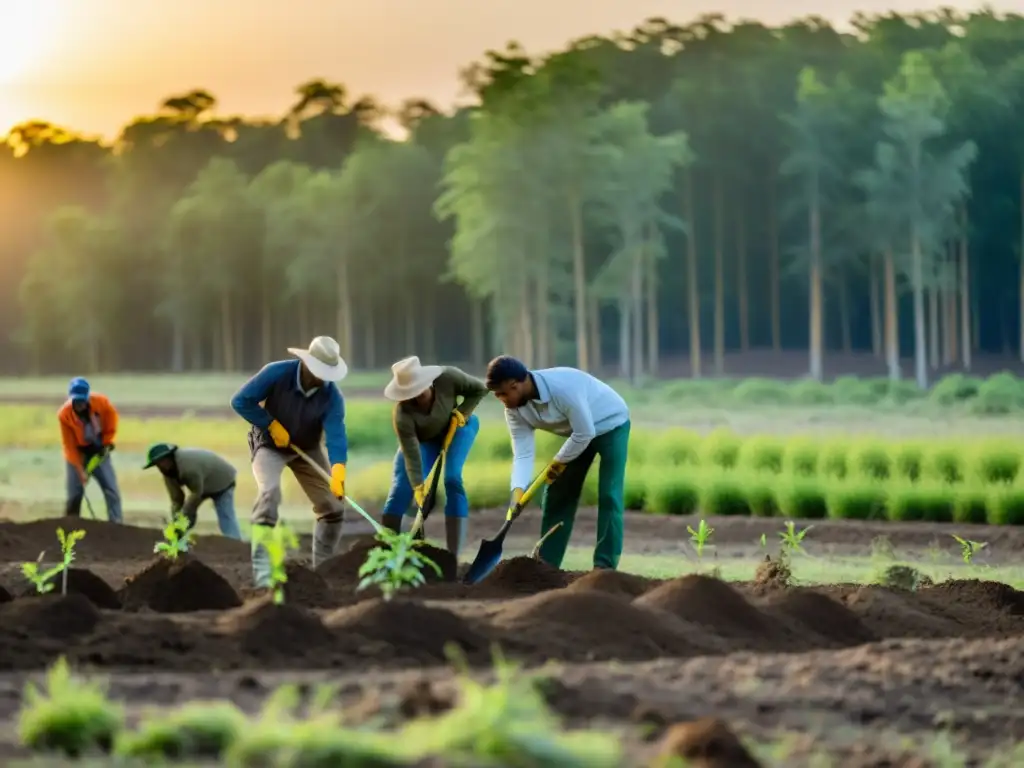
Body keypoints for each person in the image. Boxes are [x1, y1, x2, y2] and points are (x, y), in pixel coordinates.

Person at [484, 356, 631, 570]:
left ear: (521, 382)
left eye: (506, 392)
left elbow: (586, 432)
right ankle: (546, 565)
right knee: (558, 492)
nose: (503, 400)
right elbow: (523, 454)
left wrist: (557, 463)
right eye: (497, 395)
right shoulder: (514, 410)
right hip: (577, 433)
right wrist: (517, 490)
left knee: (609, 494)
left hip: (611, 423)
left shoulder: (562, 389)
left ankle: (604, 567)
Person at [230, 336, 349, 587]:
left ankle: (323, 571)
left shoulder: (332, 397)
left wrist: (338, 469)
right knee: (269, 493)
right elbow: (240, 401)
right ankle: (263, 574)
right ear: (306, 362)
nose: (322, 377)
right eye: (319, 370)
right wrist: (270, 424)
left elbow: (336, 434)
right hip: (270, 445)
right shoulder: (276, 373)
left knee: (333, 507)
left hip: (306, 448)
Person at [381, 356, 488, 556]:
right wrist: (418, 487)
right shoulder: (403, 414)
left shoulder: (448, 377)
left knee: (452, 478)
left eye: (417, 392)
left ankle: (452, 556)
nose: (412, 397)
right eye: (407, 393)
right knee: (401, 485)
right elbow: (411, 453)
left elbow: (479, 389)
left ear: (428, 382)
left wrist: (462, 412)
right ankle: (391, 552)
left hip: (459, 428)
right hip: (426, 440)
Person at [142, 442, 242, 539]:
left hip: (222, 480)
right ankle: (179, 541)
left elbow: (196, 493)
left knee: (225, 515)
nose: (162, 465)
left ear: (170, 457)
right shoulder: (167, 472)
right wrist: (176, 520)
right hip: (202, 483)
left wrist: (183, 515)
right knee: (185, 517)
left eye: (163, 461)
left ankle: (236, 543)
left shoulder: (188, 467)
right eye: (158, 463)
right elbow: (176, 499)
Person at [58, 377, 123, 523]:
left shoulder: (102, 403)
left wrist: (107, 442)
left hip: (99, 450)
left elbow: (112, 420)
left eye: (82, 400)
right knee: (74, 493)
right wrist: (80, 470)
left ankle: (116, 524)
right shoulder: (64, 415)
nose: (80, 404)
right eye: (76, 401)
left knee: (111, 489)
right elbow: (69, 446)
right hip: (78, 453)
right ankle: (71, 524)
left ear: (88, 397)